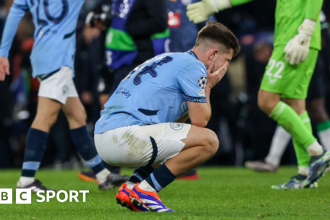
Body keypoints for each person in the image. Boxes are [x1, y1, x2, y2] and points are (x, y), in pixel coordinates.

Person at [94, 21, 240, 212]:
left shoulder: (171, 58)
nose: (226, 66)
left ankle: (131, 188)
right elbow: (201, 121)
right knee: (209, 141)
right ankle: (146, 190)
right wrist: (208, 86)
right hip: (124, 136)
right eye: (227, 60)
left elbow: (176, 127)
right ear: (213, 55)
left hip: (105, 136)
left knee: (181, 141)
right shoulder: (194, 67)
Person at [187, 0, 330, 189]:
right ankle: (305, 174)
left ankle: (317, 151)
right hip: (294, 39)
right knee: (295, 103)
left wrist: (306, 30)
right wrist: (217, 3)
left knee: (266, 100)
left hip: (295, 38)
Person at [0, 0, 127, 191]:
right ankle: (26, 180)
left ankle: (102, 175)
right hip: (57, 58)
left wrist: (3, 52)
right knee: (46, 115)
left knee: (77, 116)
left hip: (43, 52)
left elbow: (15, 13)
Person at [78, 0, 169, 182]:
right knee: (121, 113)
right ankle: (113, 168)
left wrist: (127, 27)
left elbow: (159, 22)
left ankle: (114, 168)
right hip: (121, 59)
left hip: (141, 59)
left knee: (132, 114)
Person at [245, 12, 330, 175]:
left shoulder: (312, 8)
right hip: (293, 57)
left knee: (313, 110)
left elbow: (325, 36)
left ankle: (315, 153)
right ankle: (278, 160)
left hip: (309, 60)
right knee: (289, 107)